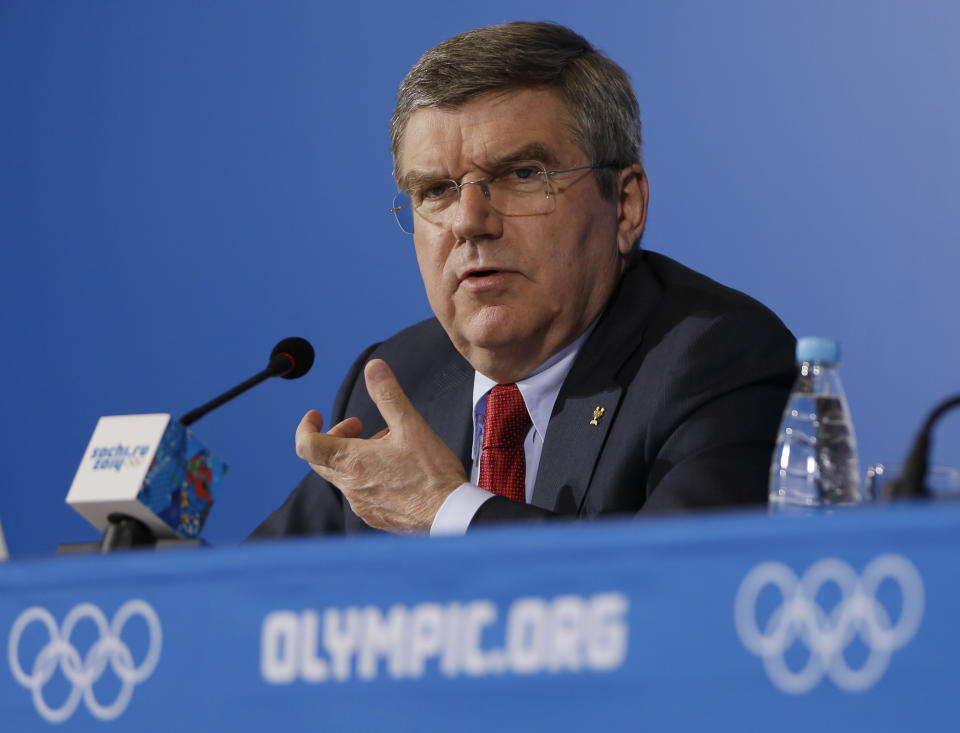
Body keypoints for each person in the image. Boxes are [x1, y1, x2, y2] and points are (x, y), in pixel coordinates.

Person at [251, 21, 795, 539]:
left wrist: (447, 508)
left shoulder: (719, 361)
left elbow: (674, 591)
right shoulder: (397, 385)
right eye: (436, 190)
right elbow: (256, 602)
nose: (469, 222)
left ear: (625, 206)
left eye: (521, 175)